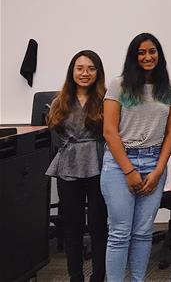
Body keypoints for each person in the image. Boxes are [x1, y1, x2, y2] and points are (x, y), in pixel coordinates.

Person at [101, 33, 171, 282]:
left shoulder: (170, 88)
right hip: (119, 164)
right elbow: (109, 131)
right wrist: (128, 170)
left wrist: (158, 171)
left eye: (152, 51)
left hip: (154, 162)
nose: (148, 56)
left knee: (144, 232)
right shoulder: (120, 85)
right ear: (134, 56)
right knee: (120, 232)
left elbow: (170, 133)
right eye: (142, 52)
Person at [45, 50, 108, 282]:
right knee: (72, 226)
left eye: (91, 68)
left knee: (98, 225)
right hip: (68, 167)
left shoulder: (106, 100)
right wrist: (72, 151)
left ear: (98, 73)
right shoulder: (59, 101)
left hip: (98, 165)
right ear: (72, 71)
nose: (85, 73)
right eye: (80, 68)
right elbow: (55, 136)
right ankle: (75, 276)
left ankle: (98, 276)